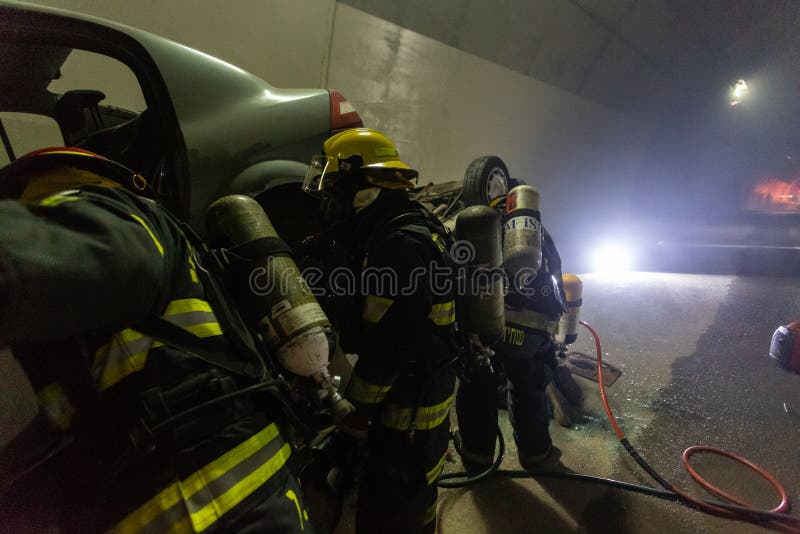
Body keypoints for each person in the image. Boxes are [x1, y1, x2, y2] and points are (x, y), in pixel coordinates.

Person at [0, 147, 312, 532]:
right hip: (262, 498)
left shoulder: (116, 216)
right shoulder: (182, 251)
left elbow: (17, 262)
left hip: (204, 508)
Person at [302, 128, 458, 534]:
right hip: (423, 391)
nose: (328, 196)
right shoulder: (406, 225)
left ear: (363, 183)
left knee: (387, 509)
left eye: (334, 184)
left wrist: (358, 410)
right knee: (417, 494)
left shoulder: (400, 245)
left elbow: (393, 342)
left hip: (409, 408)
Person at [455, 156, 570, 472]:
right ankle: (535, 455)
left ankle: (477, 459)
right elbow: (556, 273)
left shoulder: (473, 226)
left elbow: (456, 278)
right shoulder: (535, 232)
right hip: (532, 331)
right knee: (529, 391)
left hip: (487, 326)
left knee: (477, 392)